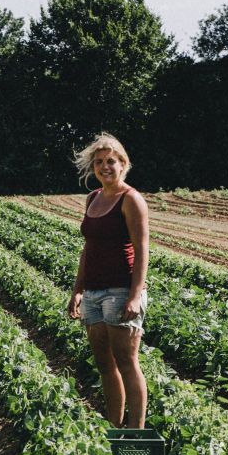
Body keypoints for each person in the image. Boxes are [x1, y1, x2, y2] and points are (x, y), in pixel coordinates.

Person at [67, 133, 149, 429]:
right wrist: (78, 290)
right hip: (93, 292)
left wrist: (135, 294)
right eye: (99, 162)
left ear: (122, 163)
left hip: (120, 289)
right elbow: (88, 248)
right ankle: (114, 426)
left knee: (127, 362)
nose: (104, 167)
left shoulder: (131, 199)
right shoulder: (93, 198)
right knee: (104, 364)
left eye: (110, 161)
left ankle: (135, 432)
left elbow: (142, 252)